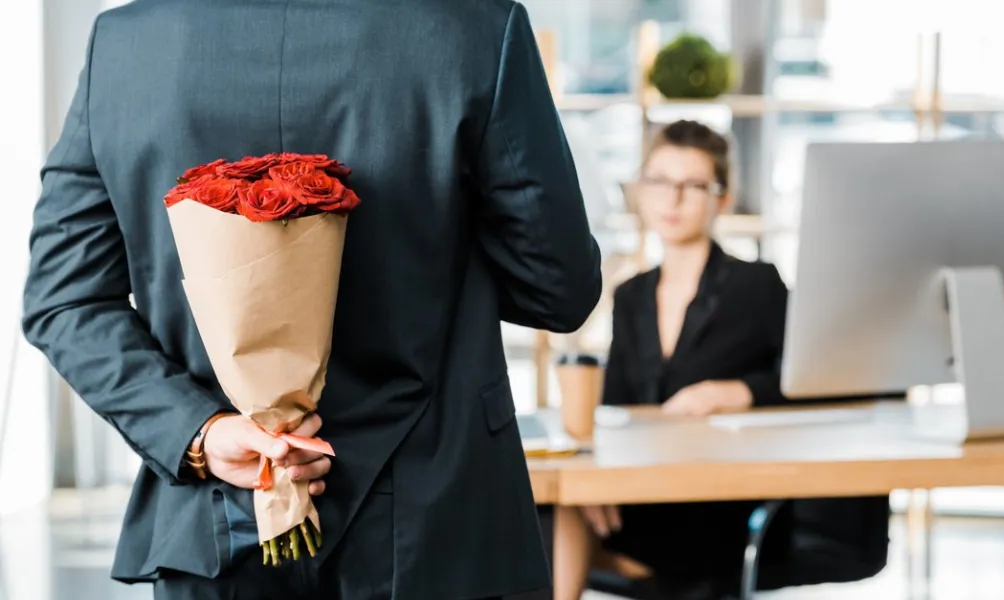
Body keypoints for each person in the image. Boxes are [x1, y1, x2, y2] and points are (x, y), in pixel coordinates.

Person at [22, 1, 601, 599]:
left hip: (215, 525)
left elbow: (65, 299)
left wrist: (198, 431)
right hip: (435, 523)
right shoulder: (473, 28)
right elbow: (559, 291)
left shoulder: (125, 41)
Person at [553, 120, 890, 600]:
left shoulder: (757, 286)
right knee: (558, 507)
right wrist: (598, 483)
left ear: (722, 199)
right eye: (659, 182)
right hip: (644, 494)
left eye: (692, 186)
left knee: (558, 526)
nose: (672, 200)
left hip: (720, 506)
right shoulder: (630, 295)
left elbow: (828, 377)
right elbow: (618, 408)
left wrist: (740, 391)